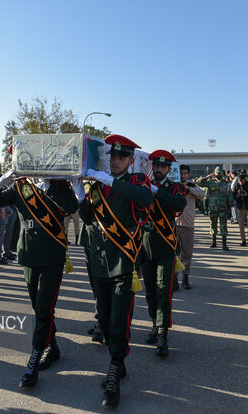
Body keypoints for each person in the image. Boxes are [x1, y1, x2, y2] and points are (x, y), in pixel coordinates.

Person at [76, 134, 153, 407]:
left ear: (131, 160)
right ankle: (116, 361)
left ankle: (115, 367)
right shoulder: (97, 185)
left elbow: (145, 200)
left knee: (120, 320)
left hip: (124, 261)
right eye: (113, 156)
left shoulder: (137, 181)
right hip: (99, 260)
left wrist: (110, 182)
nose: (116, 160)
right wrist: (78, 192)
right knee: (106, 319)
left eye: (122, 157)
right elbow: (86, 218)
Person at [0, 170, 78, 388]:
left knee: (45, 308)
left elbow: (72, 208)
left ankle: (34, 360)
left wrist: (55, 185)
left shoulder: (58, 185)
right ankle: (52, 346)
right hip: (29, 252)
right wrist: (0, 182)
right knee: (39, 307)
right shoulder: (20, 186)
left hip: (52, 253)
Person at [141, 150, 187, 357]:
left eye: (162, 167)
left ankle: (162, 332)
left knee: (163, 290)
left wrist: (156, 191)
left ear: (169, 170)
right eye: (155, 166)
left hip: (166, 245)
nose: (158, 170)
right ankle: (154, 323)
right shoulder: (142, 185)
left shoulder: (176, 188)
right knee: (150, 290)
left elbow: (178, 205)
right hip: (145, 244)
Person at [176, 164, 205, 289]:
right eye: (181, 173)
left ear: (188, 174)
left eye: (185, 173)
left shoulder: (192, 186)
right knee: (174, 255)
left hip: (188, 226)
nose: (182, 175)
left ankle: (185, 278)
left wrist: (188, 188)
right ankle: (173, 279)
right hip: (174, 224)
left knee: (187, 254)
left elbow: (202, 194)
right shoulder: (174, 185)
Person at [196, 167, 234, 250]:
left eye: (220, 173)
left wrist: (230, 206)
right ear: (214, 173)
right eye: (217, 173)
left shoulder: (226, 183)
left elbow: (229, 195)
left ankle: (224, 244)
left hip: (223, 208)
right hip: (212, 208)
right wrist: (207, 176)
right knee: (213, 225)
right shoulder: (210, 183)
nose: (218, 174)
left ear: (222, 174)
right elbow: (198, 183)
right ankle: (214, 242)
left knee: (223, 226)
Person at [233, 173, 248, 247]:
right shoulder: (236, 185)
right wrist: (238, 195)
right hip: (240, 207)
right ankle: (243, 240)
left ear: (245, 180)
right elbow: (233, 196)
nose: (241, 183)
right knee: (241, 225)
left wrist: (247, 194)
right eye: (240, 181)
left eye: (242, 181)